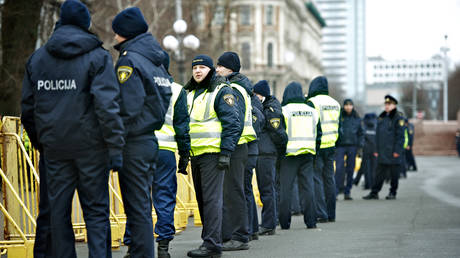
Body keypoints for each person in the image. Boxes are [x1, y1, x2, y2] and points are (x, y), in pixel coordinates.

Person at [21, 1, 125, 257]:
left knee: (58, 215)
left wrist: (42, 142)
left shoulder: (38, 59)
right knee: (97, 213)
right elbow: (107, 107)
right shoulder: (98, 56)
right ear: (85, 23)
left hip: (55, 149)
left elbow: (28, 109)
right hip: (91, 148)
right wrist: (114, 147)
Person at [112, 7, 172, 257]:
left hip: (133, 143)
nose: (114, 38)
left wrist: (115, 138)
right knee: (142, 206)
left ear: (126, 33)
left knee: (136, 208)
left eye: (116, 33)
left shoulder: (130, 60)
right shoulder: (155, 61)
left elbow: (128, 106)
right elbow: (164, 97)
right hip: (149, 140)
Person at [122, 51, 190, 258]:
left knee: (137, 197)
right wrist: (184, 155)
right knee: (165, 197)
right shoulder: (178, 90)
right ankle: (163, 246)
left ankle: (133, 246)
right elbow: (182, 126)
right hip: (166, 152)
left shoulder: (139, 84)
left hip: (139, 148)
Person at [185, 55, 240, 258]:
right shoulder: (190, 92)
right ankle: (210, 240)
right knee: (202, 200)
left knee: (211, 201)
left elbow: (232, 123)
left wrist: (226, 153)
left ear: (211, 70)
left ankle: (212, 245)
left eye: (202, 67)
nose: (198, 71)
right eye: (195, 67)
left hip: (213, 154)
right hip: (196, 154)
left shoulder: (221, 91)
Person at [216, 52, 257, 251]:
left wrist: (227, 147)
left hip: (236, 146)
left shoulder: (235, 89)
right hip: (239, 145)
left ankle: (239, 236)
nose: (217, 69)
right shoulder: (240, 87)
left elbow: (235, 120)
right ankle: (230, 235)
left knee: (234, 192)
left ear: (230, 68)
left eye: (220, 66)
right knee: (232, 191)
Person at [278, 82, 319, 229]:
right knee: (308, 188)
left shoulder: (284, 110)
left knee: (286, 189)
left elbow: (280, 136)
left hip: (289, 155)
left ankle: (284, 223)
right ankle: (311, 221)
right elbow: (318, 134)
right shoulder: (312, 110)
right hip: (308, 154)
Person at [253, 80, 288, 236]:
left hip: (267, 153)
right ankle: (269, 222)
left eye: (256, 94)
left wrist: (280, 151)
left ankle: (269, 224)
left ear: (262, 94)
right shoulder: (267, 106)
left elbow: (278, 132)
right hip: (265, 152)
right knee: (267, 189)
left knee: (267, 189)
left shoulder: (271, 108)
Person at [306, 76, 340, 223]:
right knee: (329, 179)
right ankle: (331, 213)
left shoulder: (312, 103)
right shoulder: (335, 103)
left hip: (318, 147)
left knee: (317, 180)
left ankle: (321, 213)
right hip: (331, 145)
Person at [363, 95, 405, 200]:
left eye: (389, 104)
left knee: (394, 174)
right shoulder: (382, 117)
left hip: (393, 151)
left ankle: (393, 192)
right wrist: (376, 149)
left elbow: (401, 137)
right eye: (386, 104)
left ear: (394, 105)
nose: (387, 106)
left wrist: (397, 151)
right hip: (382, 151)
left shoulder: (398, 118)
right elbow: (377, 135)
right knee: (379, 173)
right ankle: (374, 192)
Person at [335, 99, 364, 200]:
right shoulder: (339, 116)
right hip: (340, 146)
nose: (348, 107)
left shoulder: (357, 118)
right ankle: (337, 191)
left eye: (350, 105)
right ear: (344, 106)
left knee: (350, 169)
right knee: (338, 168)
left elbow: (361, 133)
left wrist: (360, 146)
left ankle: (348, 192)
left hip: (352, 146)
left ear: (352, 106)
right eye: (346, 105)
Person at [354, 113, 378, 189]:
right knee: (373, 168)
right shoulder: (376, 126)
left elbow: (362, 138)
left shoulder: (364, 127)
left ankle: (367, 184)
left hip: (365, 149)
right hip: (374, 150)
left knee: (366, 168)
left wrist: (360, 149)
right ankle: (373, 184)